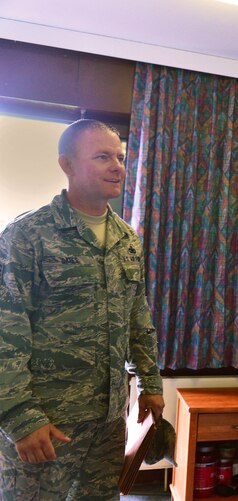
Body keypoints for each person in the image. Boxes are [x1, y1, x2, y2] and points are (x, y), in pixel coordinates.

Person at [0, 119, 165, 500]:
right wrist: (20, 419)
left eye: (120, 157)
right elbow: (6, 331)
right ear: (68, 165)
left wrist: (150, 383)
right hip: (46, 423)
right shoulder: (28, 236)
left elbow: (138, 319)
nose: (117, 167)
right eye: (103, 156)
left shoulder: (127, 240)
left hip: (107, 422)